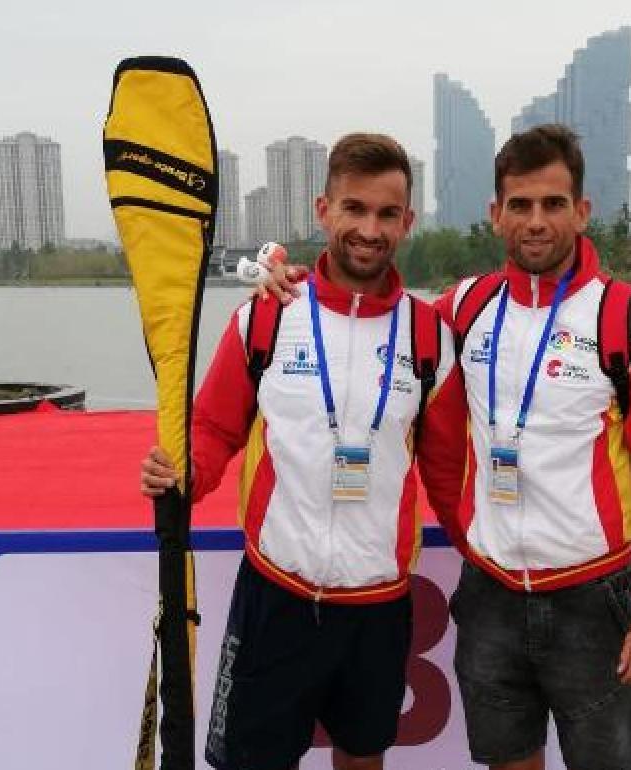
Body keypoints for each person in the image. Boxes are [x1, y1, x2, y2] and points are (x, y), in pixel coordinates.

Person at [250, 124, 631, 770]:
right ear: (496, 216)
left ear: (582, 210)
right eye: (519, 205)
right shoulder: (463, 309)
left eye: (553, 204)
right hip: (489, 595)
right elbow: (370, 306)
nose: (537, 221)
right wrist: (291, 280)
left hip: (592, 600)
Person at [140, 133, 466, 770]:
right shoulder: (266, 317)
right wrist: (183, 471)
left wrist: (491, 560)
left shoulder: (431, 338)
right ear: (324, 210)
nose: (368, 229)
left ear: (408, 221)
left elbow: (450, 471)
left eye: (386, 214)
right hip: (277, 596)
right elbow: (212, 427)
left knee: (362, 757)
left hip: (378, 603)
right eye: (354, 209)